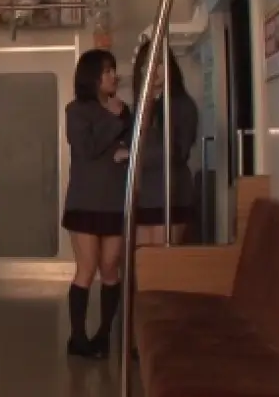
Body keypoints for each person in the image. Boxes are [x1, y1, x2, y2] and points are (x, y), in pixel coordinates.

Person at [62, 49, 133, 358]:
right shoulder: (76, 110)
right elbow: (87, 149)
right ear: (92, 76)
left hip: (115, 199)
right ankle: (77, 338)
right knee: (87, 268)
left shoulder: (124, 110)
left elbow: (130, 145)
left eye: (114, 70)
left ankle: (104, 334)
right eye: (107, 71)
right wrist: (113, 120)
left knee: (110, 268)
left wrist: (122, 145)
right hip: (85, 201)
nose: (113, 75)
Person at [131, 41, 198, 245]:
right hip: (142, 195)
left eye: (159, 62)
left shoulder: (182, 104)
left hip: (171, 192)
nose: (153, 69)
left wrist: (134, 155)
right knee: (142, 258)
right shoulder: (140, 106)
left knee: (163, 257)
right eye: (147, 64)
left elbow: (177, 152)